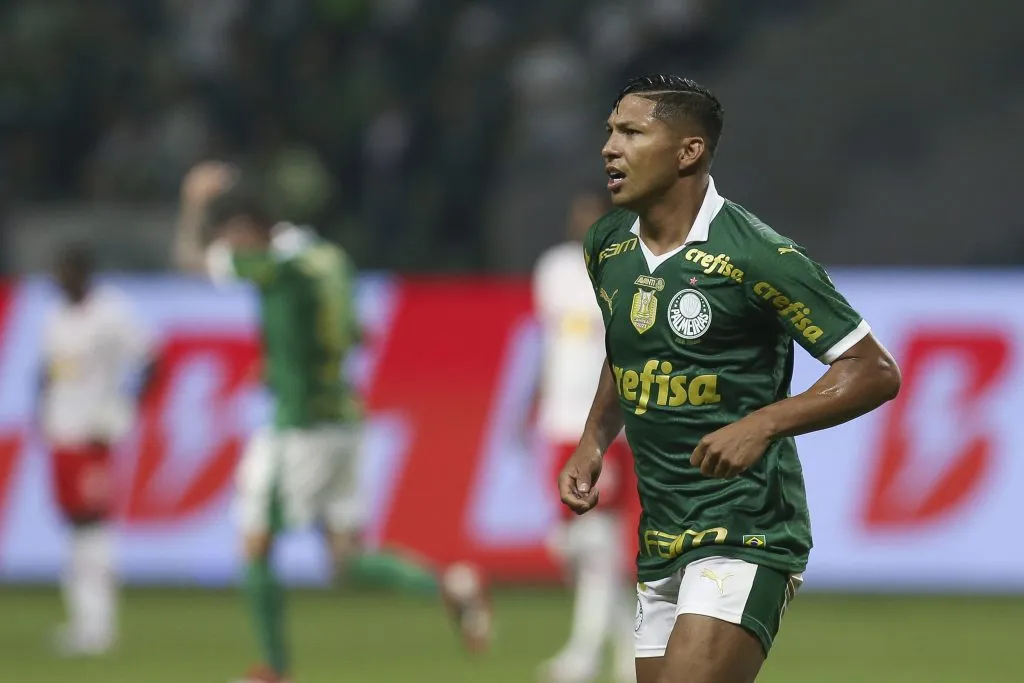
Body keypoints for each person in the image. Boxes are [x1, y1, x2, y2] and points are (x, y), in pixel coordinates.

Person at [558, 74, 902, 683]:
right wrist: (593, 438)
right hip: (661, 533)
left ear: (688, 151)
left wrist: (763, 423)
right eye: (611, 131)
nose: (610, 147)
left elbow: (873, 369)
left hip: (746, 530)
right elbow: (627, 350)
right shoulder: (607, 245)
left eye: (632, 132)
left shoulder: (756, 255)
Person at [174, 162, 492, 683]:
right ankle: (452, 585)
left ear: (249, 228)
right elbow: (355, 332)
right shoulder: (329, 259)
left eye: (233, 233)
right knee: (345, 559)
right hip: (344, 421)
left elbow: (192, 261)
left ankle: (273, 670)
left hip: (300, 427)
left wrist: (193, 205)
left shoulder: (278, 265)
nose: (232, 242)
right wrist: (289, 355)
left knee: (255, 542)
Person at [532, 192, 638, 683]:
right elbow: (549, 345)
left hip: (603, 428)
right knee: (570, 546)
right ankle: (629, 654)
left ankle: (582, 657)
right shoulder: (552, 271)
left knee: (597, 545)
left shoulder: (628, 272)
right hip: (557, 421)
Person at [38, 243, 157, 656]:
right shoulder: (54, 316)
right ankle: (82, 622)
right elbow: (46, 371)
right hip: (61, 434)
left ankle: (100, 626)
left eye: (67, 272)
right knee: (75, 526)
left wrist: (125, 410)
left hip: (94, 434)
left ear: (84, 273)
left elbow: (151, 358)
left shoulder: (111, 313)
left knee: (93, 525)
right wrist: (42, 410)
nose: (60, 280)